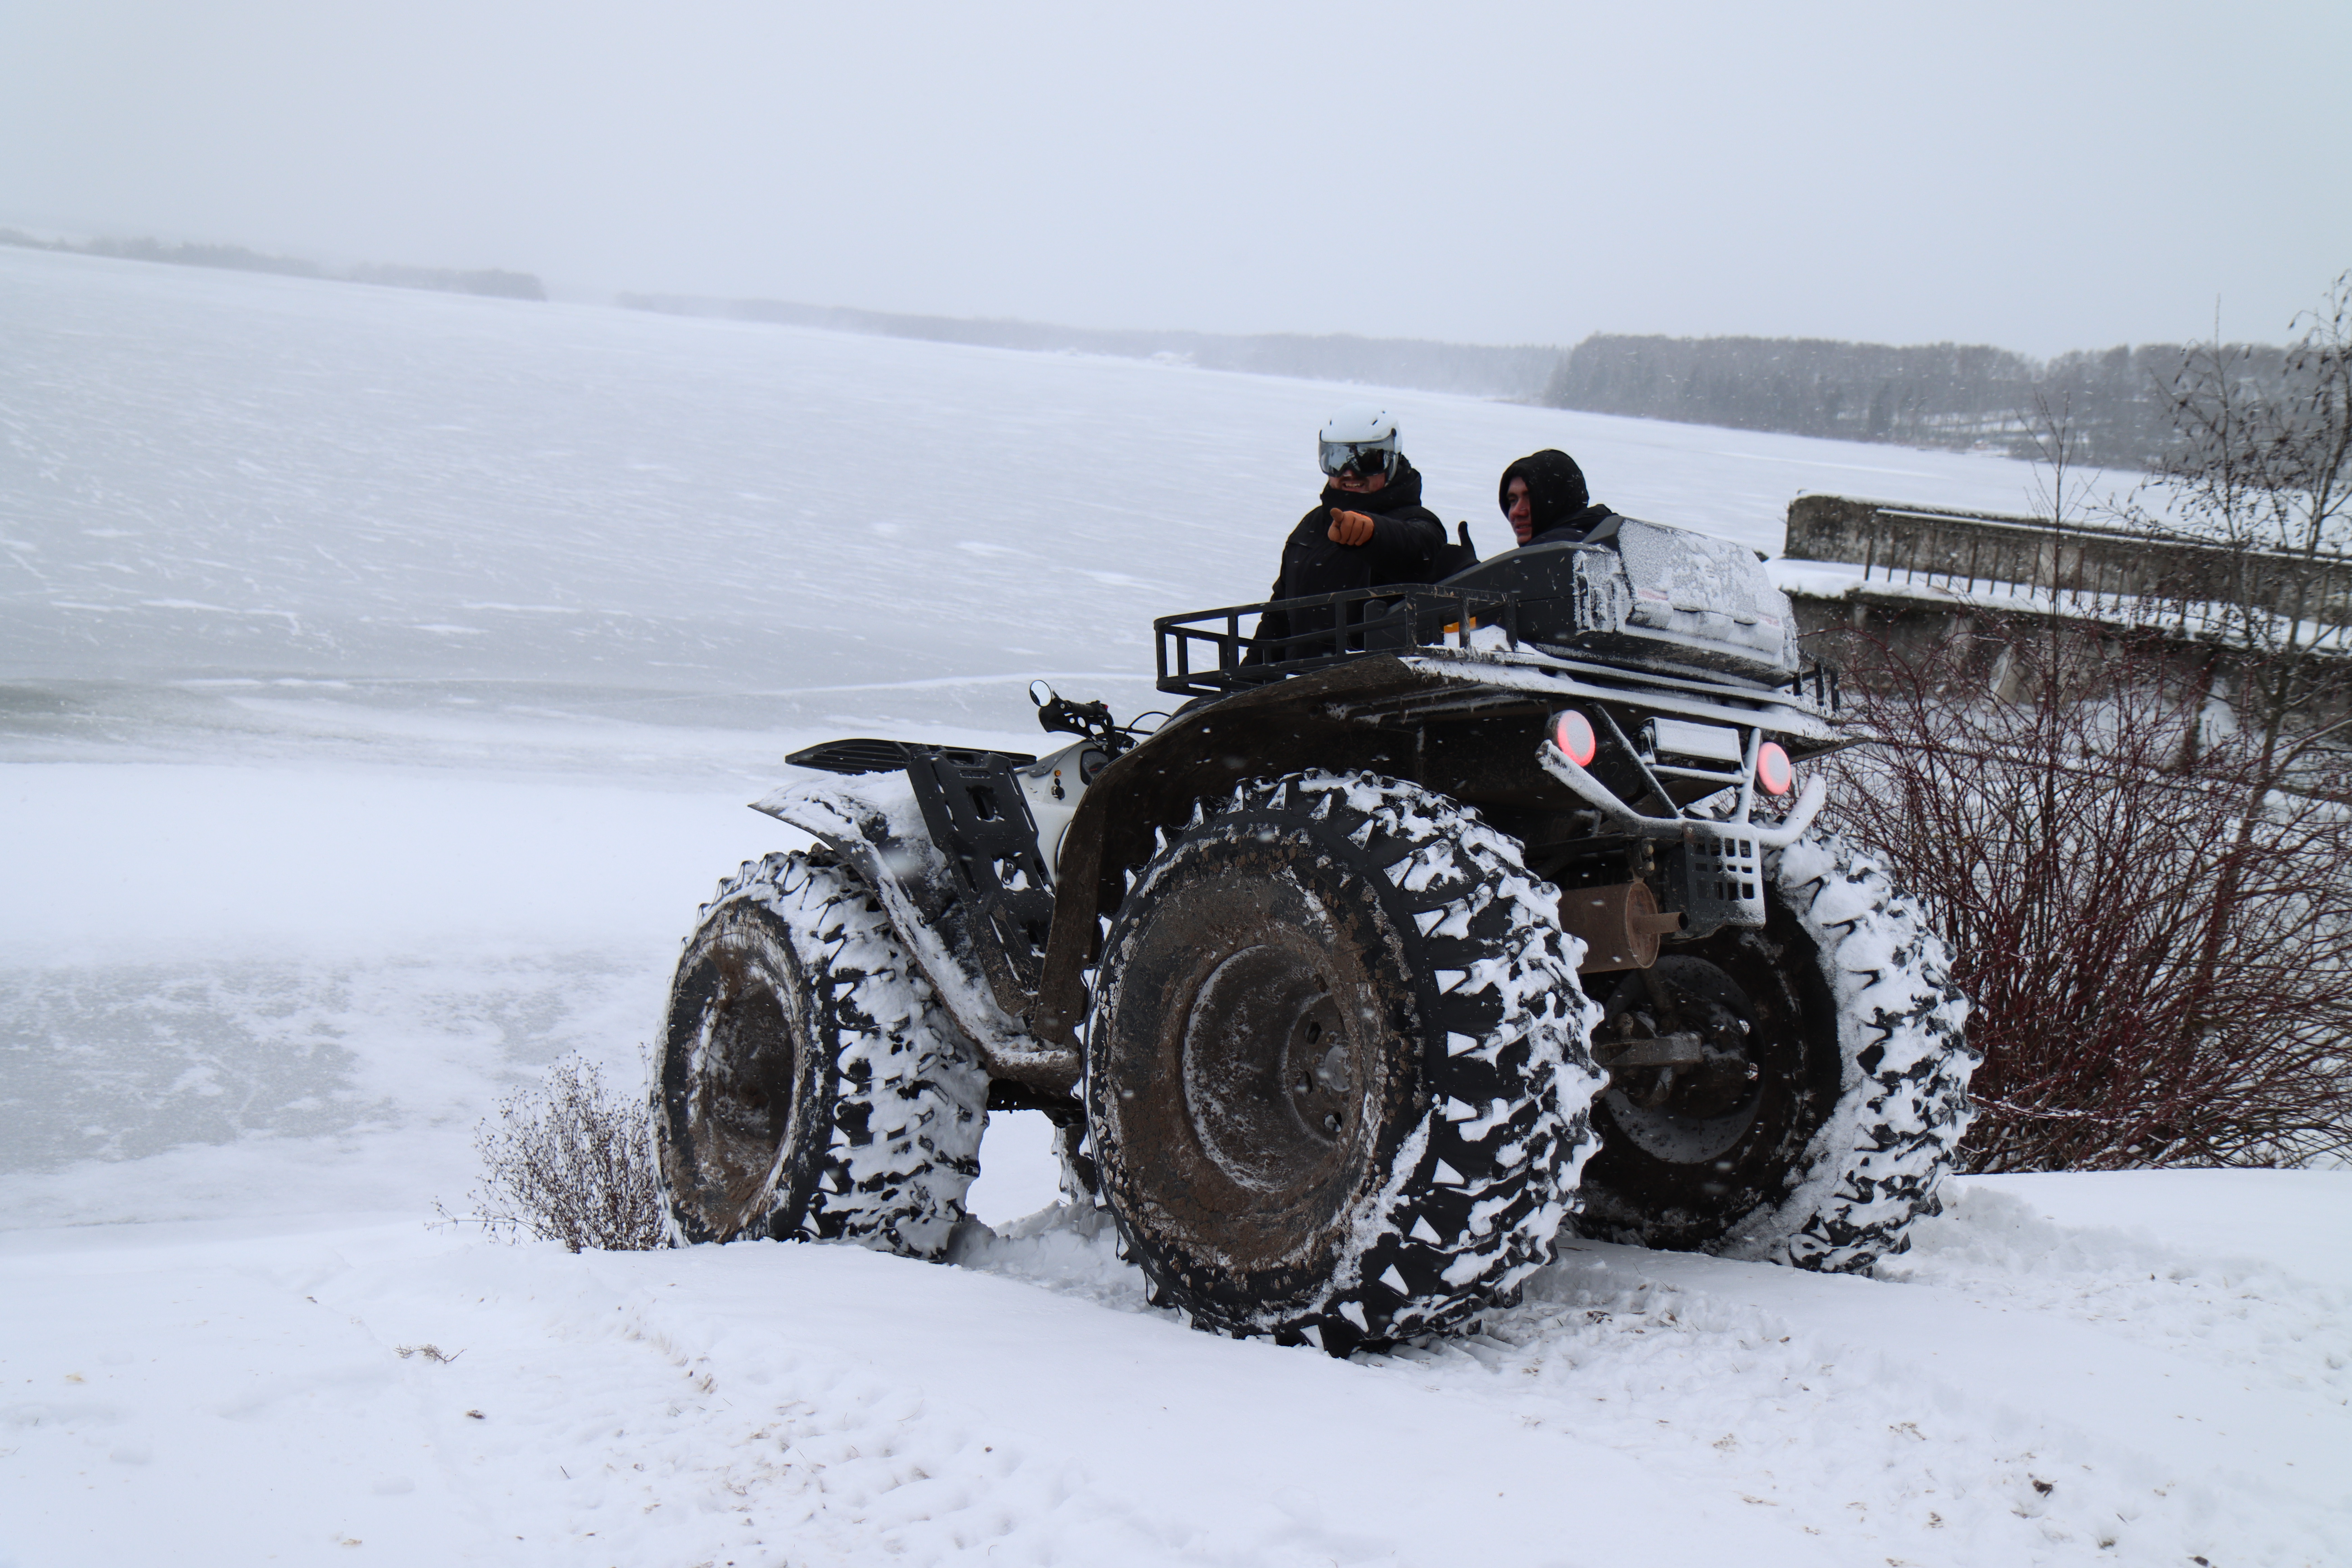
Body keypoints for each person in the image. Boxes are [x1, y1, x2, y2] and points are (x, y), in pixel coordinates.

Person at [1252, 407, 1445, 660]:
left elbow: (1418, 548)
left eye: (1366, 460)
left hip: (1373, 686)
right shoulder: (1312, 526)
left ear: (1391, 460)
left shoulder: (1417, 521)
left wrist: (1373, 533)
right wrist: (1245, 684)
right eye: (1336, 459)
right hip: (1302, 686)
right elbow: (1279, 618)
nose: (1349, 473)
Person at [1498, 448, 1619, 548]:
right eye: (1513, 501)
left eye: (1531, 498)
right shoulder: (1606, 539)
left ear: (1557, 501)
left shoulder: (1553, 546)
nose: (1516, 512)